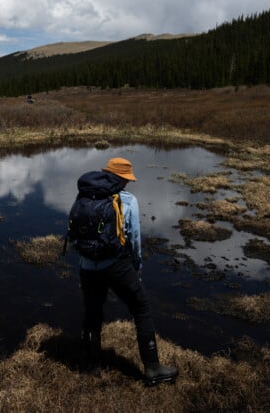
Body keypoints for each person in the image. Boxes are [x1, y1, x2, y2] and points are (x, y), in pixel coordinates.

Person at [72, 157, 178, 386]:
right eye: (127, 179)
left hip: (87, 264)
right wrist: (136, 266)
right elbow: (134, 239)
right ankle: (152, 368)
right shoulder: (127, 200)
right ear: (122, 179)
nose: (129, 183)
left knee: (92, 312)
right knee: (141, 308)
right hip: (115, 265)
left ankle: (91, 366)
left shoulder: (85, 194)